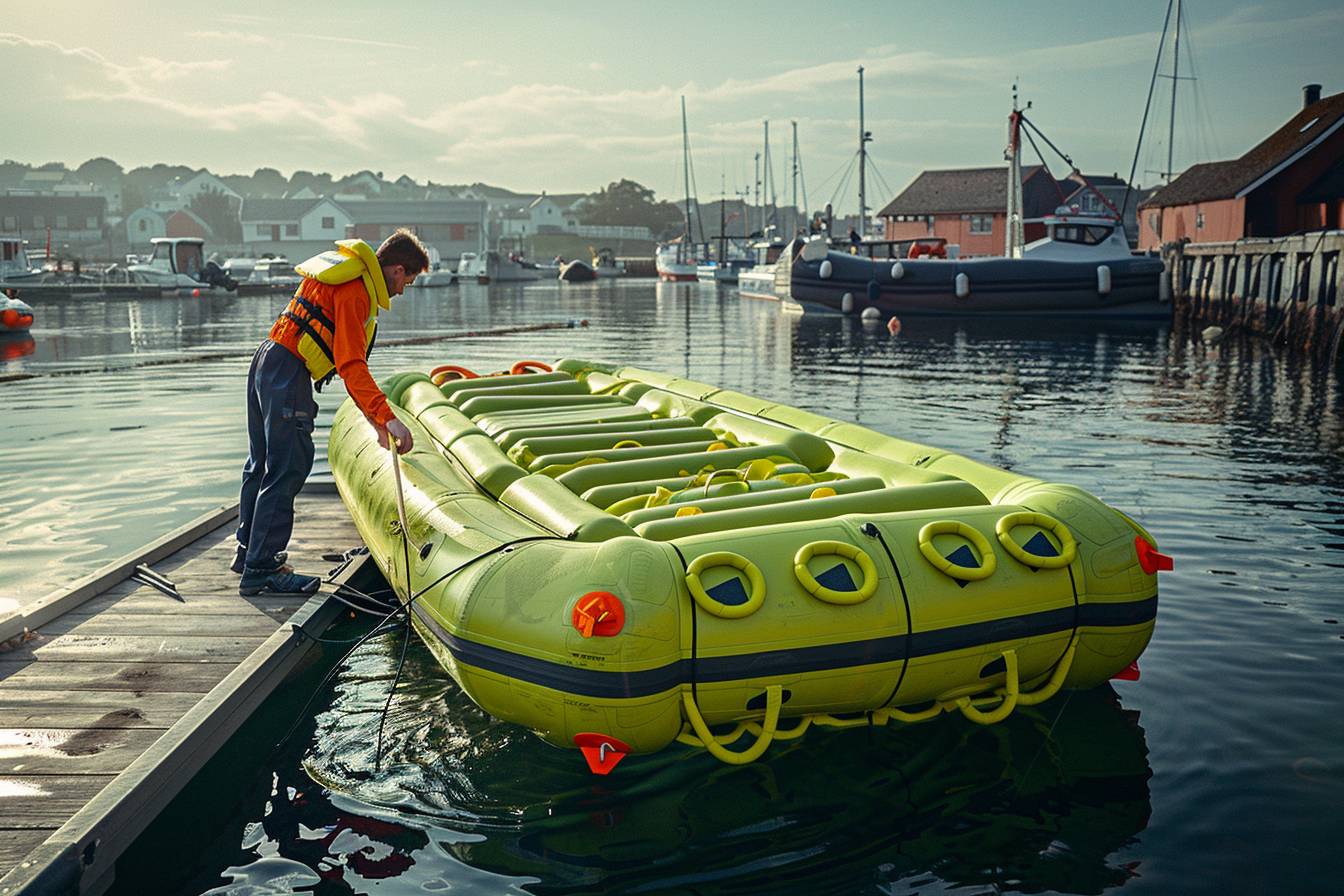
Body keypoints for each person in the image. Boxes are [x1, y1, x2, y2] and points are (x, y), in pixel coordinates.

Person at [234, 228, 430, 595]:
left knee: (260, 463)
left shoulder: (345, 273)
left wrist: (375, 421)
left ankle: (247, 553)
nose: (403, 291)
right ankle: (262, 568)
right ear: (398, 270)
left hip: (267, 359)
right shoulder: (355, 290)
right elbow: (351, 364)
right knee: (288, 466)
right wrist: (389, 418)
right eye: (409, 280)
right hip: (288, 373)